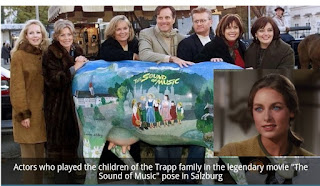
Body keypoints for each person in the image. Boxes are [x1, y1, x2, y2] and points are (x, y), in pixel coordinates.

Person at [218, 74, 314, 156]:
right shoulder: (232, 153)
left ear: (291, 110)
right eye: (259, 109)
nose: (267, 117)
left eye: (276, 107)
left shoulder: (312, 162)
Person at [42, 19, 88, 164]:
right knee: (58, 145)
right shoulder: (51, 53)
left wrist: (85, 63)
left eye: (69, 34)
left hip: (75, 102)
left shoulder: (77, 50)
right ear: (56, 36)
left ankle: (72, 174)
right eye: (62, 35)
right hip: (58, 106)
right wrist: (75, 68)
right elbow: (54, 80)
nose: (67, 38)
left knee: (73, 142)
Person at [10, 19, 50, 183]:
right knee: (30, 164)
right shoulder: (19, 55)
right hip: (27, 115)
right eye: (31, 32)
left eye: (38, 32)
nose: (35, 36)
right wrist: (23, 114)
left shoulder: (44, 54)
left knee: (40, 162)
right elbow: (16, 88)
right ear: (25, 36)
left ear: (43, 35)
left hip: (41, 116)